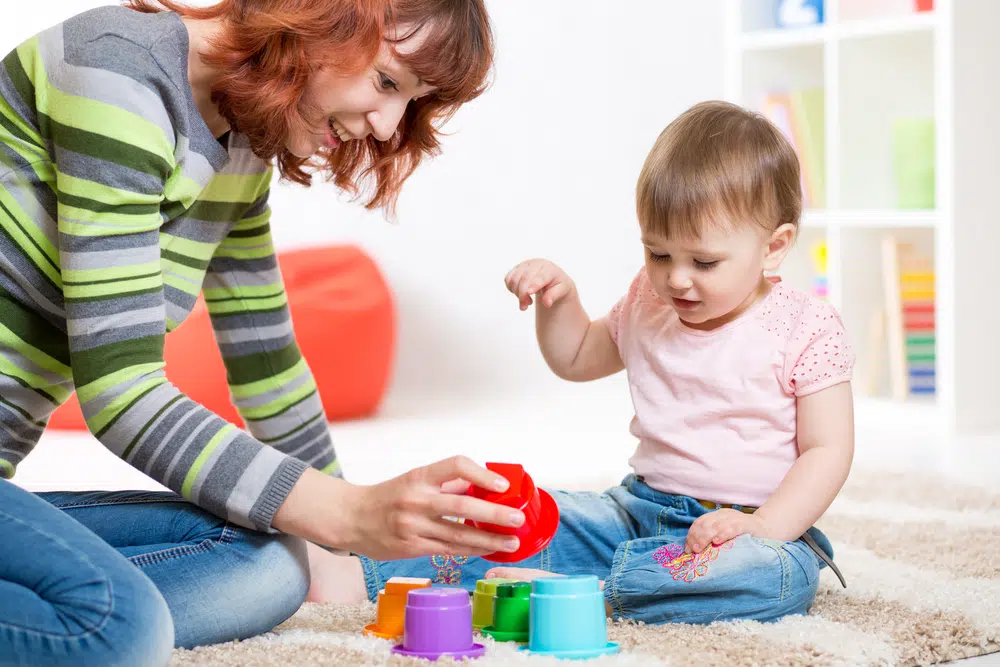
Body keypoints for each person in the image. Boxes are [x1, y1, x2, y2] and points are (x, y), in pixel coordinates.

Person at [0, 1, 526, 665]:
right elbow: (121, 392)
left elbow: (269, 367)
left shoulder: (239, 148)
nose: (389, 126)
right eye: (389, 82)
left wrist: (342, 548)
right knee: (117, 627)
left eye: (410, 101)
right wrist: (345, 512)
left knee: (274, 563)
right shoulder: (117, 69)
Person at [313, 100, 856, 625]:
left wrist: (762, 528)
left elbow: (827, 451)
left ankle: (588, 591)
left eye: (704, 261)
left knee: (774, 580)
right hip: (635, 513)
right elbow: (575, 357)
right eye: (658, 253)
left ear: (775, 247)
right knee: (516, 521)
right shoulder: (650, 300)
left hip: (753, 525)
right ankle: (362, 571)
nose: (676, 277)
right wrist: (560, 302)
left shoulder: (805, 328)